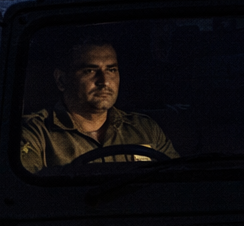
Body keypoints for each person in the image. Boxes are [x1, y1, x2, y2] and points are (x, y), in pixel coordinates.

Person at [19, 39, 178, 173]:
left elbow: (176, 183)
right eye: (89, 71)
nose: (104, 81)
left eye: (111, 70)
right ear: (61, 80)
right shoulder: (36, 133)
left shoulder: (144, 129)